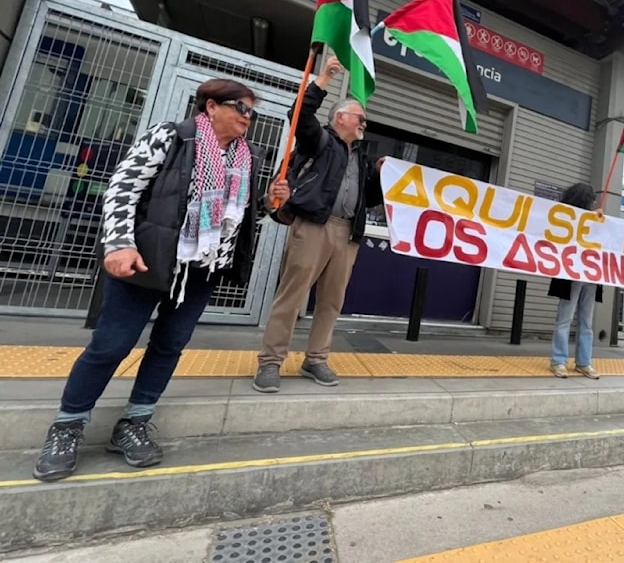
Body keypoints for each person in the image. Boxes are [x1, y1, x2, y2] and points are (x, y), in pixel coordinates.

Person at [33, 78, 276, 482]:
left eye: (252, 111)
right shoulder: (171, 136)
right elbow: (122, 190)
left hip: (201, 269)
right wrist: (119, 244)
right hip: (147, 260)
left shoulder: (246, 157)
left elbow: (238, 218)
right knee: (111, 344)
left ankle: (134, 421)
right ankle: (67, 426)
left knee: (169, 346)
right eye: (242, 108)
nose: (248, 118)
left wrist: (268, 205)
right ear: (211, 106)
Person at [253, 55, 384, 393]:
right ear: (340, 117)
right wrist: (322, 78)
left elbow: (367, 200)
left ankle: (316, 358)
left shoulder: (361, 156)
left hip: (347, 234)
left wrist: (382, 178)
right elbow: (298, 115)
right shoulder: (319, 140)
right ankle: (270, 361)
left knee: (331, 301)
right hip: (313, 226)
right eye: (361, 119)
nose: (363, 124)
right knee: (292, 295)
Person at [547, 183, 603, 380]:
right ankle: (559, 361)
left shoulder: (594, 219)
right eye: (591, 199)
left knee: (585, 322)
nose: (594, 202)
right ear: (584, 199)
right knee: (566, 318)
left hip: (590, 275)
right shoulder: (565, 218)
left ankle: (583, 362)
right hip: (571, 275)